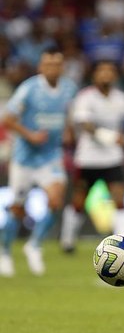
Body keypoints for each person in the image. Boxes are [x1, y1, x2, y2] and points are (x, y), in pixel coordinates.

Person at [0, 49, 78, 276]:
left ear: (62, 67)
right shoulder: (29, 89)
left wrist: (68, 132)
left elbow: (67, 115)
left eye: (57, 64)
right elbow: (7, 119)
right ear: (40, 67)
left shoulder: (69, 89)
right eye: (48, 64)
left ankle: (34, 245)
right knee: (17, 209)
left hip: (50, 156)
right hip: (24, 158)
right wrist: (30, 135)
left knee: (55, 201)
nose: (53, 68)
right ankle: (4, 252)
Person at [60, 60, 124, 253]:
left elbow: (122, 128)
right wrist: (108, 136)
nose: (106, 74)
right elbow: (84, 124)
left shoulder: (122, 99)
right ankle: (67, 241)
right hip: (88, 158)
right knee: (78, 201)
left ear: (115, 76)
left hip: (112, 158)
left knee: (120, 199)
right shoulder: (85, 97)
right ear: (94, 76)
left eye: (110, 70)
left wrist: (119, 144)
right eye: (102, 71)